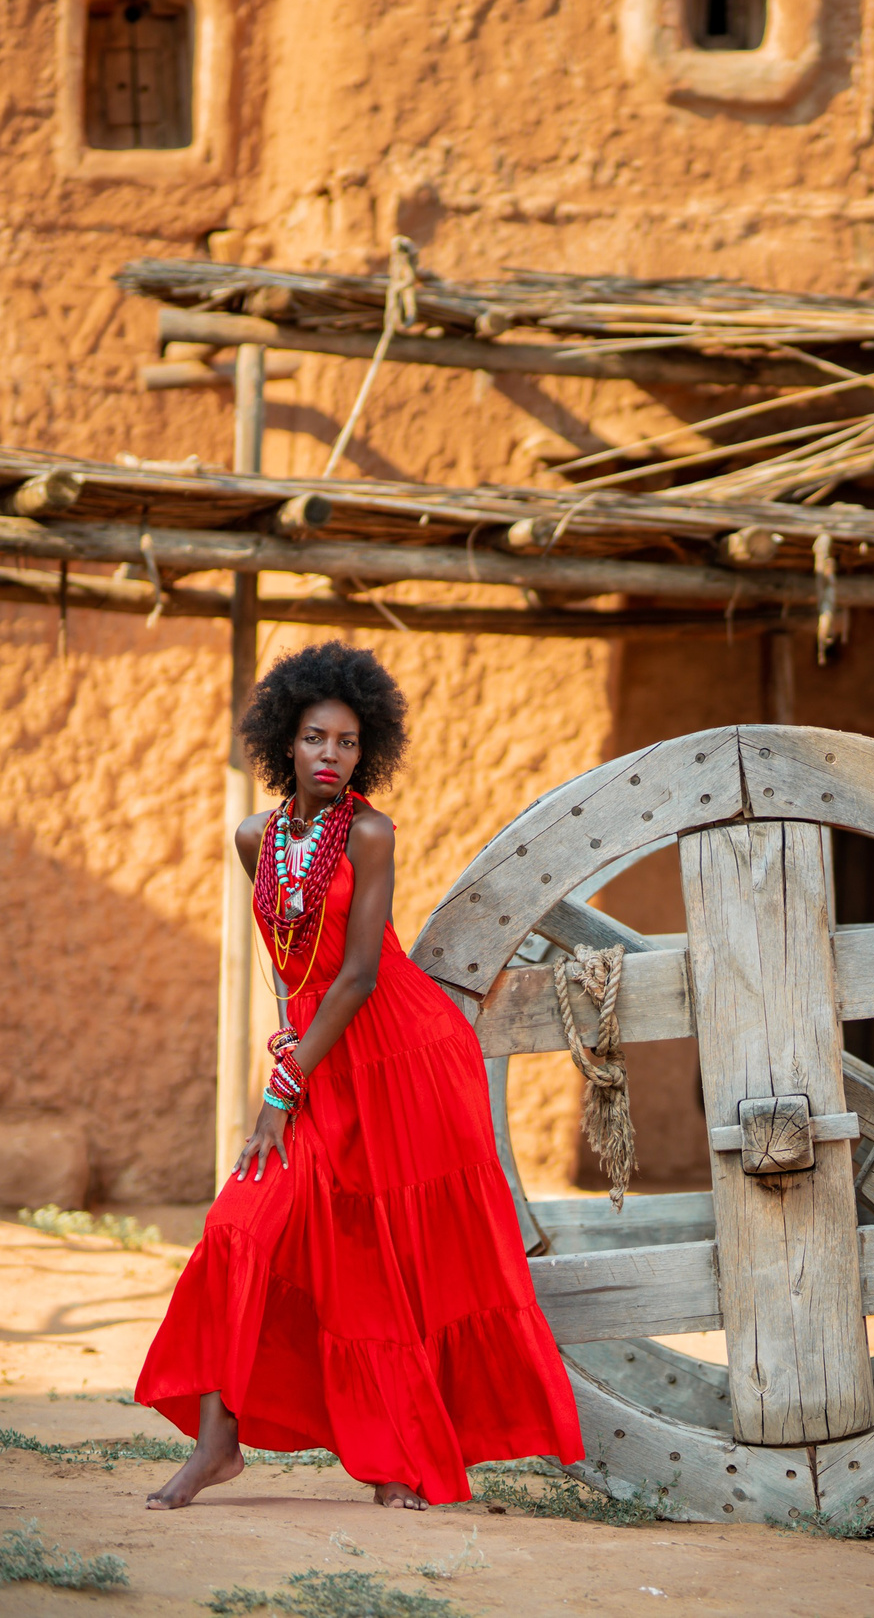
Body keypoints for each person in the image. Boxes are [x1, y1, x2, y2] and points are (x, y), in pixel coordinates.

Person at [138, 642, 581, 1510]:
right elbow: (284, 959)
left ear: (365, 748)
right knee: (244, 1226)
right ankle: (219, 1444)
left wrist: (279, 1090)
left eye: (347, 741)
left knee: (384, 1254)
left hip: (399, 1058)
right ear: (284, 744)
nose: (331, 755)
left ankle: (396, 1460)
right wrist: (288, 1054)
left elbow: (360, 974)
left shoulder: (370, 833)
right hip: (315, 1060)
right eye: (315, 738)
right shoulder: (252, 838)